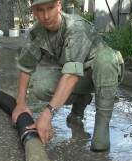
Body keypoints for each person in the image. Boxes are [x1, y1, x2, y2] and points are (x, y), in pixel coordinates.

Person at [11, 0, 124, 151]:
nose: (46, 16)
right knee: (40, 86)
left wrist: (46, 116)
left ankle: (102, 126)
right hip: (79, 76)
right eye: (40, 10)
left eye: (50, 8)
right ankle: (82, 99)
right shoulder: (37, 32)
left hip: (105, 74)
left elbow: (71, 75)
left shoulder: (75, 27)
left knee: (106, 59)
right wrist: (20, 104)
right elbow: (26, 66)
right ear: (33, 11)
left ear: (58, 5)